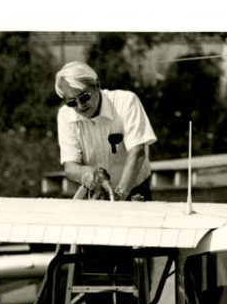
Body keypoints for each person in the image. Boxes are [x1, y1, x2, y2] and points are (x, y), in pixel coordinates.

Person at [55, 61, 156, 201]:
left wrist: (120, 194)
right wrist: (86, 173)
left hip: (134, 191)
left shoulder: (126, 102)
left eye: (84, 97)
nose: (80, 106)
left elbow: (137, 153)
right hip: (96, 195)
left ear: (97, 85)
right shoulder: (65, 115)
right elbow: (70, 166)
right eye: (71, 102)